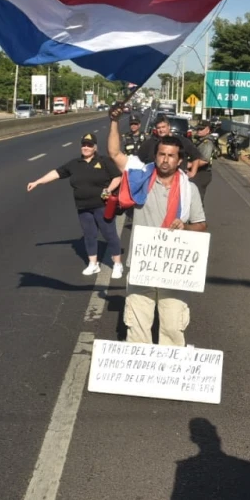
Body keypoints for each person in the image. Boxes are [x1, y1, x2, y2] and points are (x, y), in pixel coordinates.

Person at [106, 104, 207, 346]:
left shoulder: (189, 189)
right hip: (144, 265)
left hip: (174, 268)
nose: (165, 159)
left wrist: (185, 227)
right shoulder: (141, 177)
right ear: (156, 155)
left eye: (171, 156)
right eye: (162, 154)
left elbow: (201, 225)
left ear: (179, 159)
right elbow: (114, 154)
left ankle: (167, 376)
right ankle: (138, 377)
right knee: (138, 324)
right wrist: (113, 122)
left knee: (172, 326)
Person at [27, 133, 125, 279]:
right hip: (83, 207)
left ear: (95, 147)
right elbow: (57, 173)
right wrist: (38, 181)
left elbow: (117, 176)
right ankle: (93, 264)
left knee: (109, 234)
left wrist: (108, 190)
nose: (86, 147)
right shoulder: (74, 164)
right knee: (89, 235)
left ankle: (117, 264)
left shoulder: (104, 161)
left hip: (101, 205)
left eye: (89, 145)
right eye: (84, 144)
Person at [136, 114, 208, 179]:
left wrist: (192, 173)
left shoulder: (181, 140)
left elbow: (196, 156)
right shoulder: (149, 143)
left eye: (163, 127)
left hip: (177, 180)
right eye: (158, 128)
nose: (161, 130)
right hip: (154, 179)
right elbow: (137, 160)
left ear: (169, 126)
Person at [189, 120, 220, 202]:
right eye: (198, 129)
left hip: (202, 173)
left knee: (197, 199)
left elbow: (204, 160)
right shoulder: (200, 140)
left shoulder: (207, 143)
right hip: (198, 171)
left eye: (201, 129)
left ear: (208, 130)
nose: (199, 130)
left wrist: (189, 165)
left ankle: (198, 214)